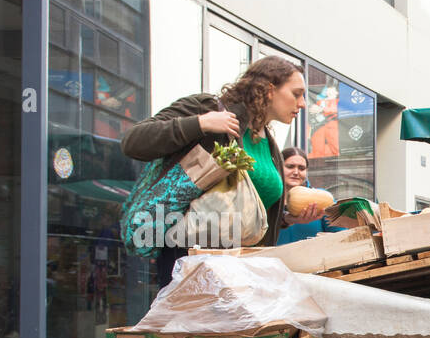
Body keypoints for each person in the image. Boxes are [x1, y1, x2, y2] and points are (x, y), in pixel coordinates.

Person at [121, 55, 325, 287]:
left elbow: (245, 213)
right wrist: (200, 123)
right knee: (192, 323)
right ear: (270, 90)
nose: (302, 104)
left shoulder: (270, 145)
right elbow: (133, 141)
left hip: (242, 269)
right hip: (193, 260)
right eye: (296, 94)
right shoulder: (210, 108)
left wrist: (288, 218)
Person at [276, 148, 344, 244]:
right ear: (278, 168)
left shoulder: (323, 198)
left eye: (301, 168)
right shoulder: (270, 201)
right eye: (290, 166)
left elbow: (341, 234)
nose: (296, 172)